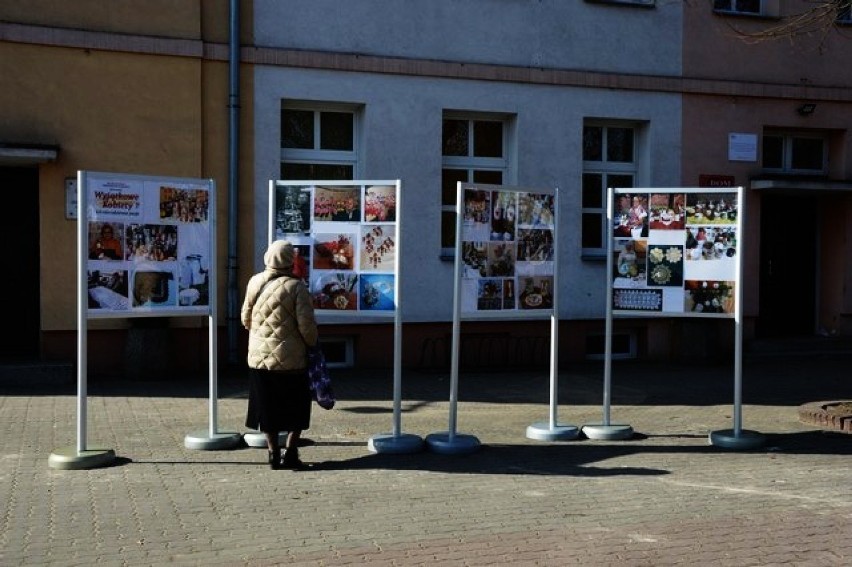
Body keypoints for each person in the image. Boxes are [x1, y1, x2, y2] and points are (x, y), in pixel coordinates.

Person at [241, 240, 319, 470]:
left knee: (267, 408)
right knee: (297, 408)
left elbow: (245, 318)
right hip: (292, 360)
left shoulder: (255, 281)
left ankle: (273, 453)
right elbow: (307, 327)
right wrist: (312, 344)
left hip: (259, 359)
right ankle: (291, 452)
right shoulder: (297, 287)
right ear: (289, 260)